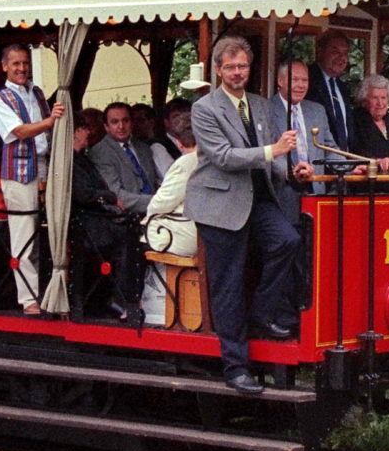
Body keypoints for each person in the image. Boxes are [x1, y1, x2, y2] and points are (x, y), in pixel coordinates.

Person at [186, 35, 306, 394]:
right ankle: (235, 368)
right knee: (229, 284)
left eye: (243, 66)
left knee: (288, 241)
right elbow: (223, 157)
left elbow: (274, 160)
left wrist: (292, 171)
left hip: (257, 197)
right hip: (220, 204)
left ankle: (260, 316)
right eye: (231, 67)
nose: (238, 72)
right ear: (218, 70)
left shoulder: (258, 104)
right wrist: (273, 151)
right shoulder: (204, 108)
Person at [0, 43, 63, 314]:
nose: (22, 69)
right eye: (16, 64)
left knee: (48, 230)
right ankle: (28, 298)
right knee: (24, 234)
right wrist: (50, 121)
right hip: (19, 172)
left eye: (25, 63)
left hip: (44, 163)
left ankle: (47, 289)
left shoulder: (37, 92)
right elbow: (18, 131)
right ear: (5, 66)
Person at [70, 122, 137, 321]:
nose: (87, 131)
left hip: (96, 214)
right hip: (85, 219)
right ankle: (123, 298)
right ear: (74, 133)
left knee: (129, 230)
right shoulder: (69, 161)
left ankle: (111, 298)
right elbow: (83, 193)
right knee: (126, 238)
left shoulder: (83, 158)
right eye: (82, 128)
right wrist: (110, 197)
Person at [140, 109, 200, 325]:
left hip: (186, 236)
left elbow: (161, 202)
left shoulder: (185, 162)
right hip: (203, 231)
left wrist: (147, 216)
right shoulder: (210, 158)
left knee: (135, 236)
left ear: (178, 142)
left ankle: (153, 311)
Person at [268, 58, 347, 223]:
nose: (300, 85)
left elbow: (329, 149)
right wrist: (292, 173)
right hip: (282, 196)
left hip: (316, 194)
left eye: (305, 80)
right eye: (294, 79)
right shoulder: (265, 110)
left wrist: (350, 168)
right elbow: (268, 152)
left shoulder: (317, 110)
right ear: (280, 81)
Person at [89, 101, 160, 211]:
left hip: (157, 212)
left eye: (125, 120)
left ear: (132, 123)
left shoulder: (143, 148)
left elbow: (154, 182)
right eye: (114, 122)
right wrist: (157, 201)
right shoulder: (100, 152)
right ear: (106, 127)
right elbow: (116, 194)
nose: (121, 126)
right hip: (127, 217)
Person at [306, 32, 357, 149]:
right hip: (319, 159)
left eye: (345, 53)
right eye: (335, 52)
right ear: (320, 52)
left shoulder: (342, 87)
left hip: (345, 160)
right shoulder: (307, 81)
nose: (341, 58)